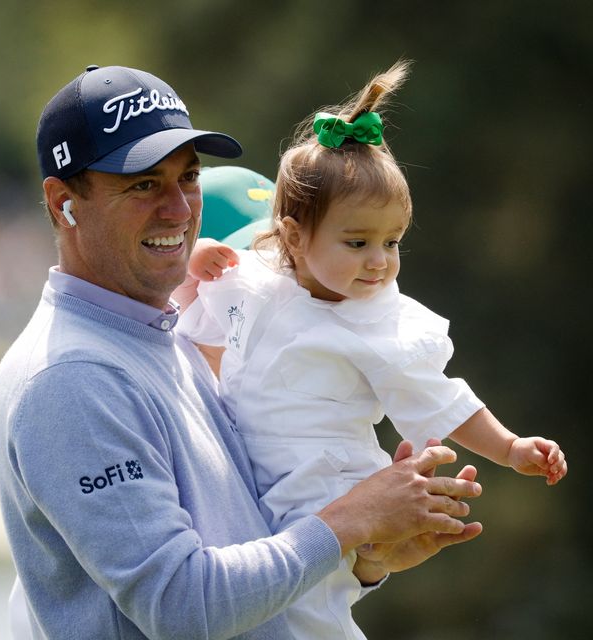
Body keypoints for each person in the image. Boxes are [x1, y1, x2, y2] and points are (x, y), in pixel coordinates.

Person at [0, 64, 485, 640]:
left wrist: (369, 556)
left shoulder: (162, 338)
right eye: (143, 183)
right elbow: (182, 606)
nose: (178, 208)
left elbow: (251, 555)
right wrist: (350, 519)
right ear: (62, 202)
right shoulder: (73, 379)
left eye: (190, 177)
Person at [177, 60, 568, 640]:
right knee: (257, 593)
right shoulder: (256, 279)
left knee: (307, 612)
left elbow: (443, 398)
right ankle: (353, 575)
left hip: (323, 478)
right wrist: (195, 257)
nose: (379, 261)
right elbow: (187, 324)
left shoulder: (379, 322)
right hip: (251, 470)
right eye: (357, 242)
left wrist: (509, 447)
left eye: (392, 242)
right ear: (291, 237)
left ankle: (349, 590)